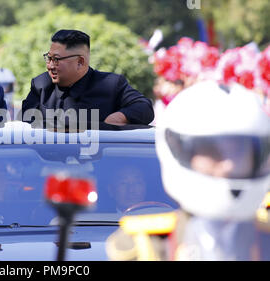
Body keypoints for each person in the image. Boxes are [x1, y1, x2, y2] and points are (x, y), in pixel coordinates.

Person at [106, 81, 270, 261]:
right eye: (213, 151)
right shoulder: (144, 245)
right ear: (177, 150)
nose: (229, 164)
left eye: (239, 151)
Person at [20, 29, 154, 127]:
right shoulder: (41, 85)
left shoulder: (111, 85)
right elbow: (25, 124)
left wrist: (121, 117)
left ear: (80, 62)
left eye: (56, 60)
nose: (50, 66)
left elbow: (144, 107)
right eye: (48, 58)